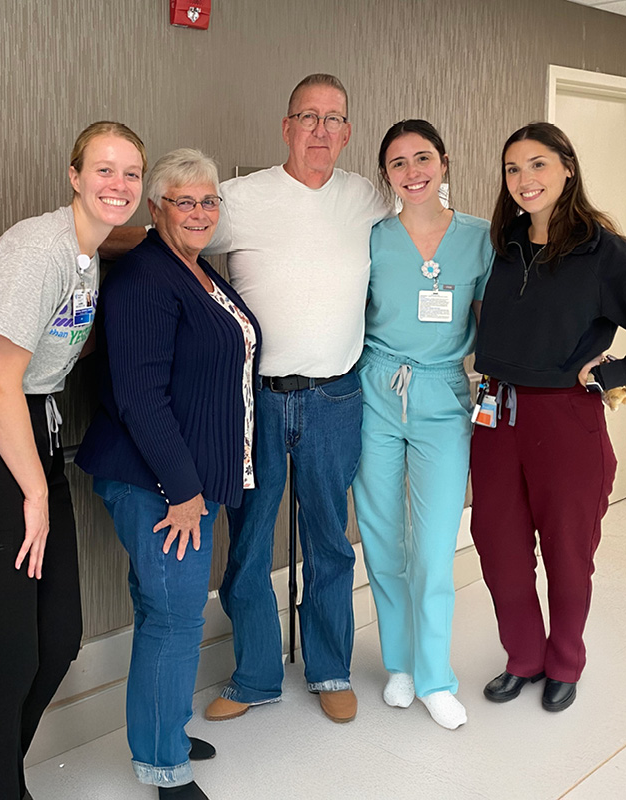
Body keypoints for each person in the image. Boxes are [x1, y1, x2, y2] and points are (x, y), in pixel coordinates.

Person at [0, 121, 146, 800]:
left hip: (31, 437)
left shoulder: (87, 253)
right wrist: (38, 492)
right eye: (102, 170)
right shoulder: (39, 251)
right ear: (73, 176)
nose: (118, 185)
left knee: (56, 644)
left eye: (131, 173)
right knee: (8, 660)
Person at [200, 74, 389, 724]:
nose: (320, 130)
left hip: (336, 398)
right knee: (250, 542)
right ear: (285, 127)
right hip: (256, 400)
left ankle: (330, 666)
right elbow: (172, 240)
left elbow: (426, 232)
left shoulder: (366, 197)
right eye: (307, 117)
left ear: (348, 133)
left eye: (333, 119)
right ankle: (253, 676)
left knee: (330, 542)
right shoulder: (240, 197)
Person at [76, 149, 261, 800]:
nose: (200, 212)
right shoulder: (146, 280)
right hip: (157, 484)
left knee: (170, 611)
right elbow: (140, 396)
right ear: (155, 208)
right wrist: (183, 492)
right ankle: (162, 764)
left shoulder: (194, 269)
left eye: (209, 200)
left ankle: (167, 730)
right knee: (175, 618)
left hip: (188, 480)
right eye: (183, 200)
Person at [472, 121, 626, 712]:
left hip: (567, 422)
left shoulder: (603, 251)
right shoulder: (501, 244)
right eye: (513, 169)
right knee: (497, 543)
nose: (524, 180)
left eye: (538, 164)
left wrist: (616, 373)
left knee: (568, 551)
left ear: (568, 167)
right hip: (495, 418)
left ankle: (565, 660)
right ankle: (524, 656)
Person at [351, 120, 492, 730]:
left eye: (423, 158)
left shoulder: (480, 239)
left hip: (442, 394)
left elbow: (499, 321)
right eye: (399, 163)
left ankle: (436, 676)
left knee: (434, 545)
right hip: (375, 389)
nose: (412, 172)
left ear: (445, 162)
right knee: (382, 537)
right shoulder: (373, 238)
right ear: (386, 174)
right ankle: (401, 664)